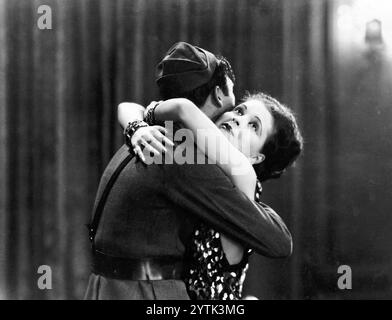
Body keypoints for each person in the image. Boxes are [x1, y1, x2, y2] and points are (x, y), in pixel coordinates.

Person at [84, 42, 294, 300]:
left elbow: (133, 108)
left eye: (253, 126)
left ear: (258, 156)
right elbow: (278, 242)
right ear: (219, 94)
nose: (237, 118)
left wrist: (140, 123)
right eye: (238, 109)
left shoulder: (160, 135)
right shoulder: (182, 152)